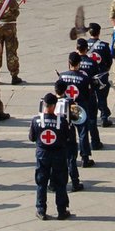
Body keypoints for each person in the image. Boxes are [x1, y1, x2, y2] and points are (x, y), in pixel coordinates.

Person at [28, 91, 71, 221]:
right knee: (60, 183)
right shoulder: (61, 121)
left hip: (42, 155)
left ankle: (41, 210)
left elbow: (31, 137)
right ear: (54, 105)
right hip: (58, 155)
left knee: (41, 183)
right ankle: (62, 210)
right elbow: (67, 137)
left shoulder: (36, 120)